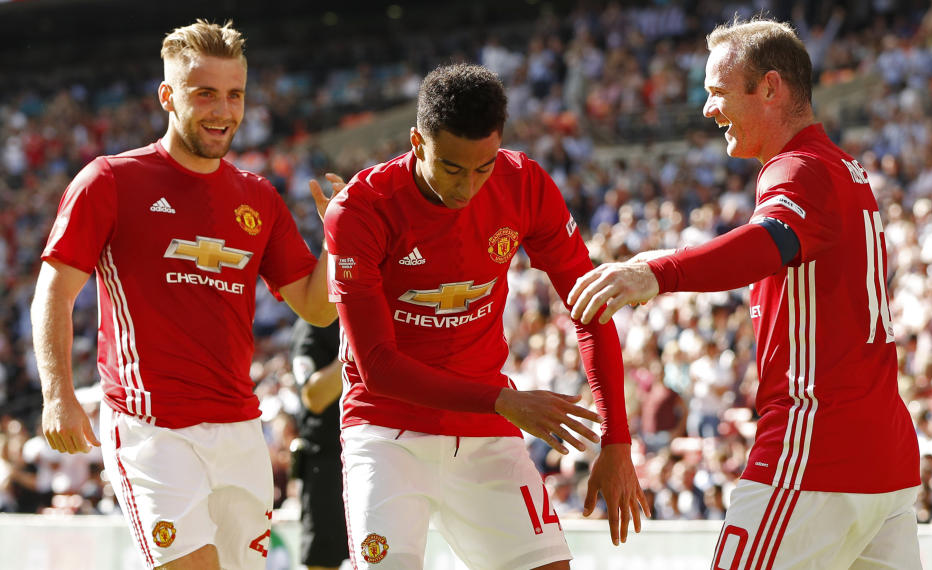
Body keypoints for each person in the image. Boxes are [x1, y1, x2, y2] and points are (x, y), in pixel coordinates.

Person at [567, 17, 921, 569]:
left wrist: (655, 273)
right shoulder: (842, 168)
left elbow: (768, 242)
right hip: (885, 462)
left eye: (717, 92)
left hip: (815, 452)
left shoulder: (798, 168)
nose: (708, 109)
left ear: (771, 88)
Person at [31, 20, 340, 570]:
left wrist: (341, 242)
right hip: (151, 428)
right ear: (167, 96)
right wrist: (58, 393)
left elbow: (315, 306)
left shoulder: (259, 197)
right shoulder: (109, 180)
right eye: (205, 94)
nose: (223, 110)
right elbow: (54, 290)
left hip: (242, 431)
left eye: (234, 94)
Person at [323, 63, 649, 569]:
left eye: (484, 166)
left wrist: (617, 440)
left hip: (484, 428)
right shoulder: (361, 210)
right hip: (387, 432)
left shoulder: (524, 184)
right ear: (416, 142)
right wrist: (503, 400)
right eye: (452, 167)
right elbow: (377, 368)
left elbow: (591, 306)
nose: (468, 186)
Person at [289, 318, 349, 570]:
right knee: (323, 562)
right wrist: (354, 349)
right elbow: (314, 397)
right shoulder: (314, 324)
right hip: (327, 463)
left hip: (378, 452)